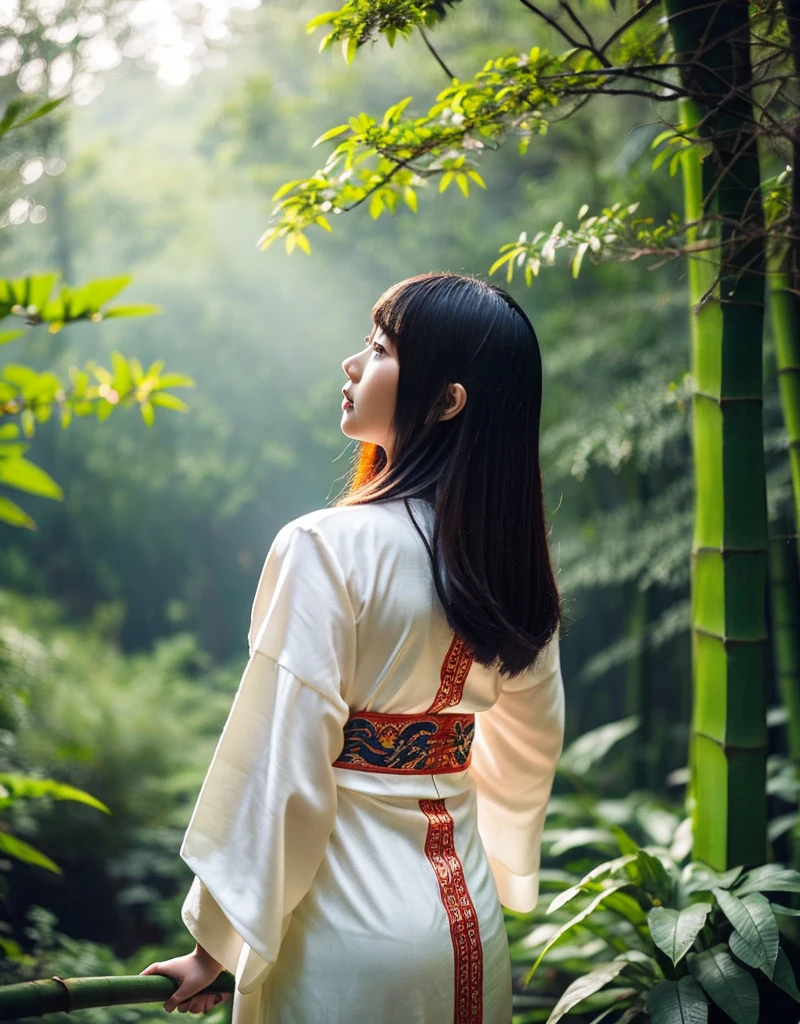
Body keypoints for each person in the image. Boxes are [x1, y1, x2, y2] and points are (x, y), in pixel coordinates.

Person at [141, 272, 565, 1023]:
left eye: (379, 348)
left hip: (341, 933)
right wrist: (502, 864)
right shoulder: (514, 569)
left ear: (446, 400)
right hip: (466, 928)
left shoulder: (325, 547)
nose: (352, 364)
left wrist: (217, 947)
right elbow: (529, 748)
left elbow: (281, 764)